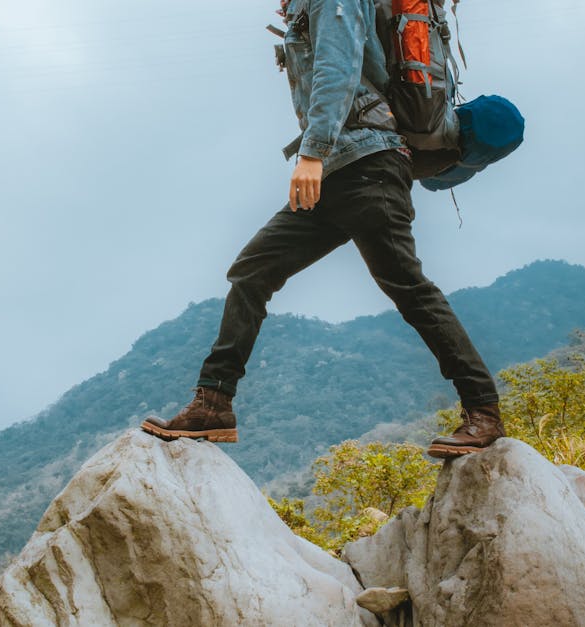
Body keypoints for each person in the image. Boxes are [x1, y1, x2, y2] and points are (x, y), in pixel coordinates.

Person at [140, 0, 504, 459]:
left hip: (368, 165)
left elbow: (338, 67)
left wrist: (312, 153)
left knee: (410, 290)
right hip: (338, 172)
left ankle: (483, 411)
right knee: (252, 271)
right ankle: (213, 403)